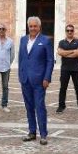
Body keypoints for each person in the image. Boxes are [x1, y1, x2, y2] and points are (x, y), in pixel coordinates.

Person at [18, 16, 54, 145]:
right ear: (28, 27)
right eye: (31, 26)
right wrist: (20, 75)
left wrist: (47, 78)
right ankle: (32, 132)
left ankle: (43, 134)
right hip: (25, 79)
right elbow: (21, 58)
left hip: (39, 81)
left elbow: (50, 61)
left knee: (40, 107)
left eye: (35, 26)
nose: (33, 28)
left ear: (39, 27)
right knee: (29, 107)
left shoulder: (45, 40)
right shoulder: (23, 40)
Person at [57, 24, 78, 114]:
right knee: (63, 88)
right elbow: (60, 52)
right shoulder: (61, 42)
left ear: (73, 31)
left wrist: (66, 53)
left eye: (71, 30)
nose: (69, 32)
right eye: (68, 30)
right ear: (66, 32)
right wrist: (73, 51)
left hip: (76, 69)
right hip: (65, 69)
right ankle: (61, 106)